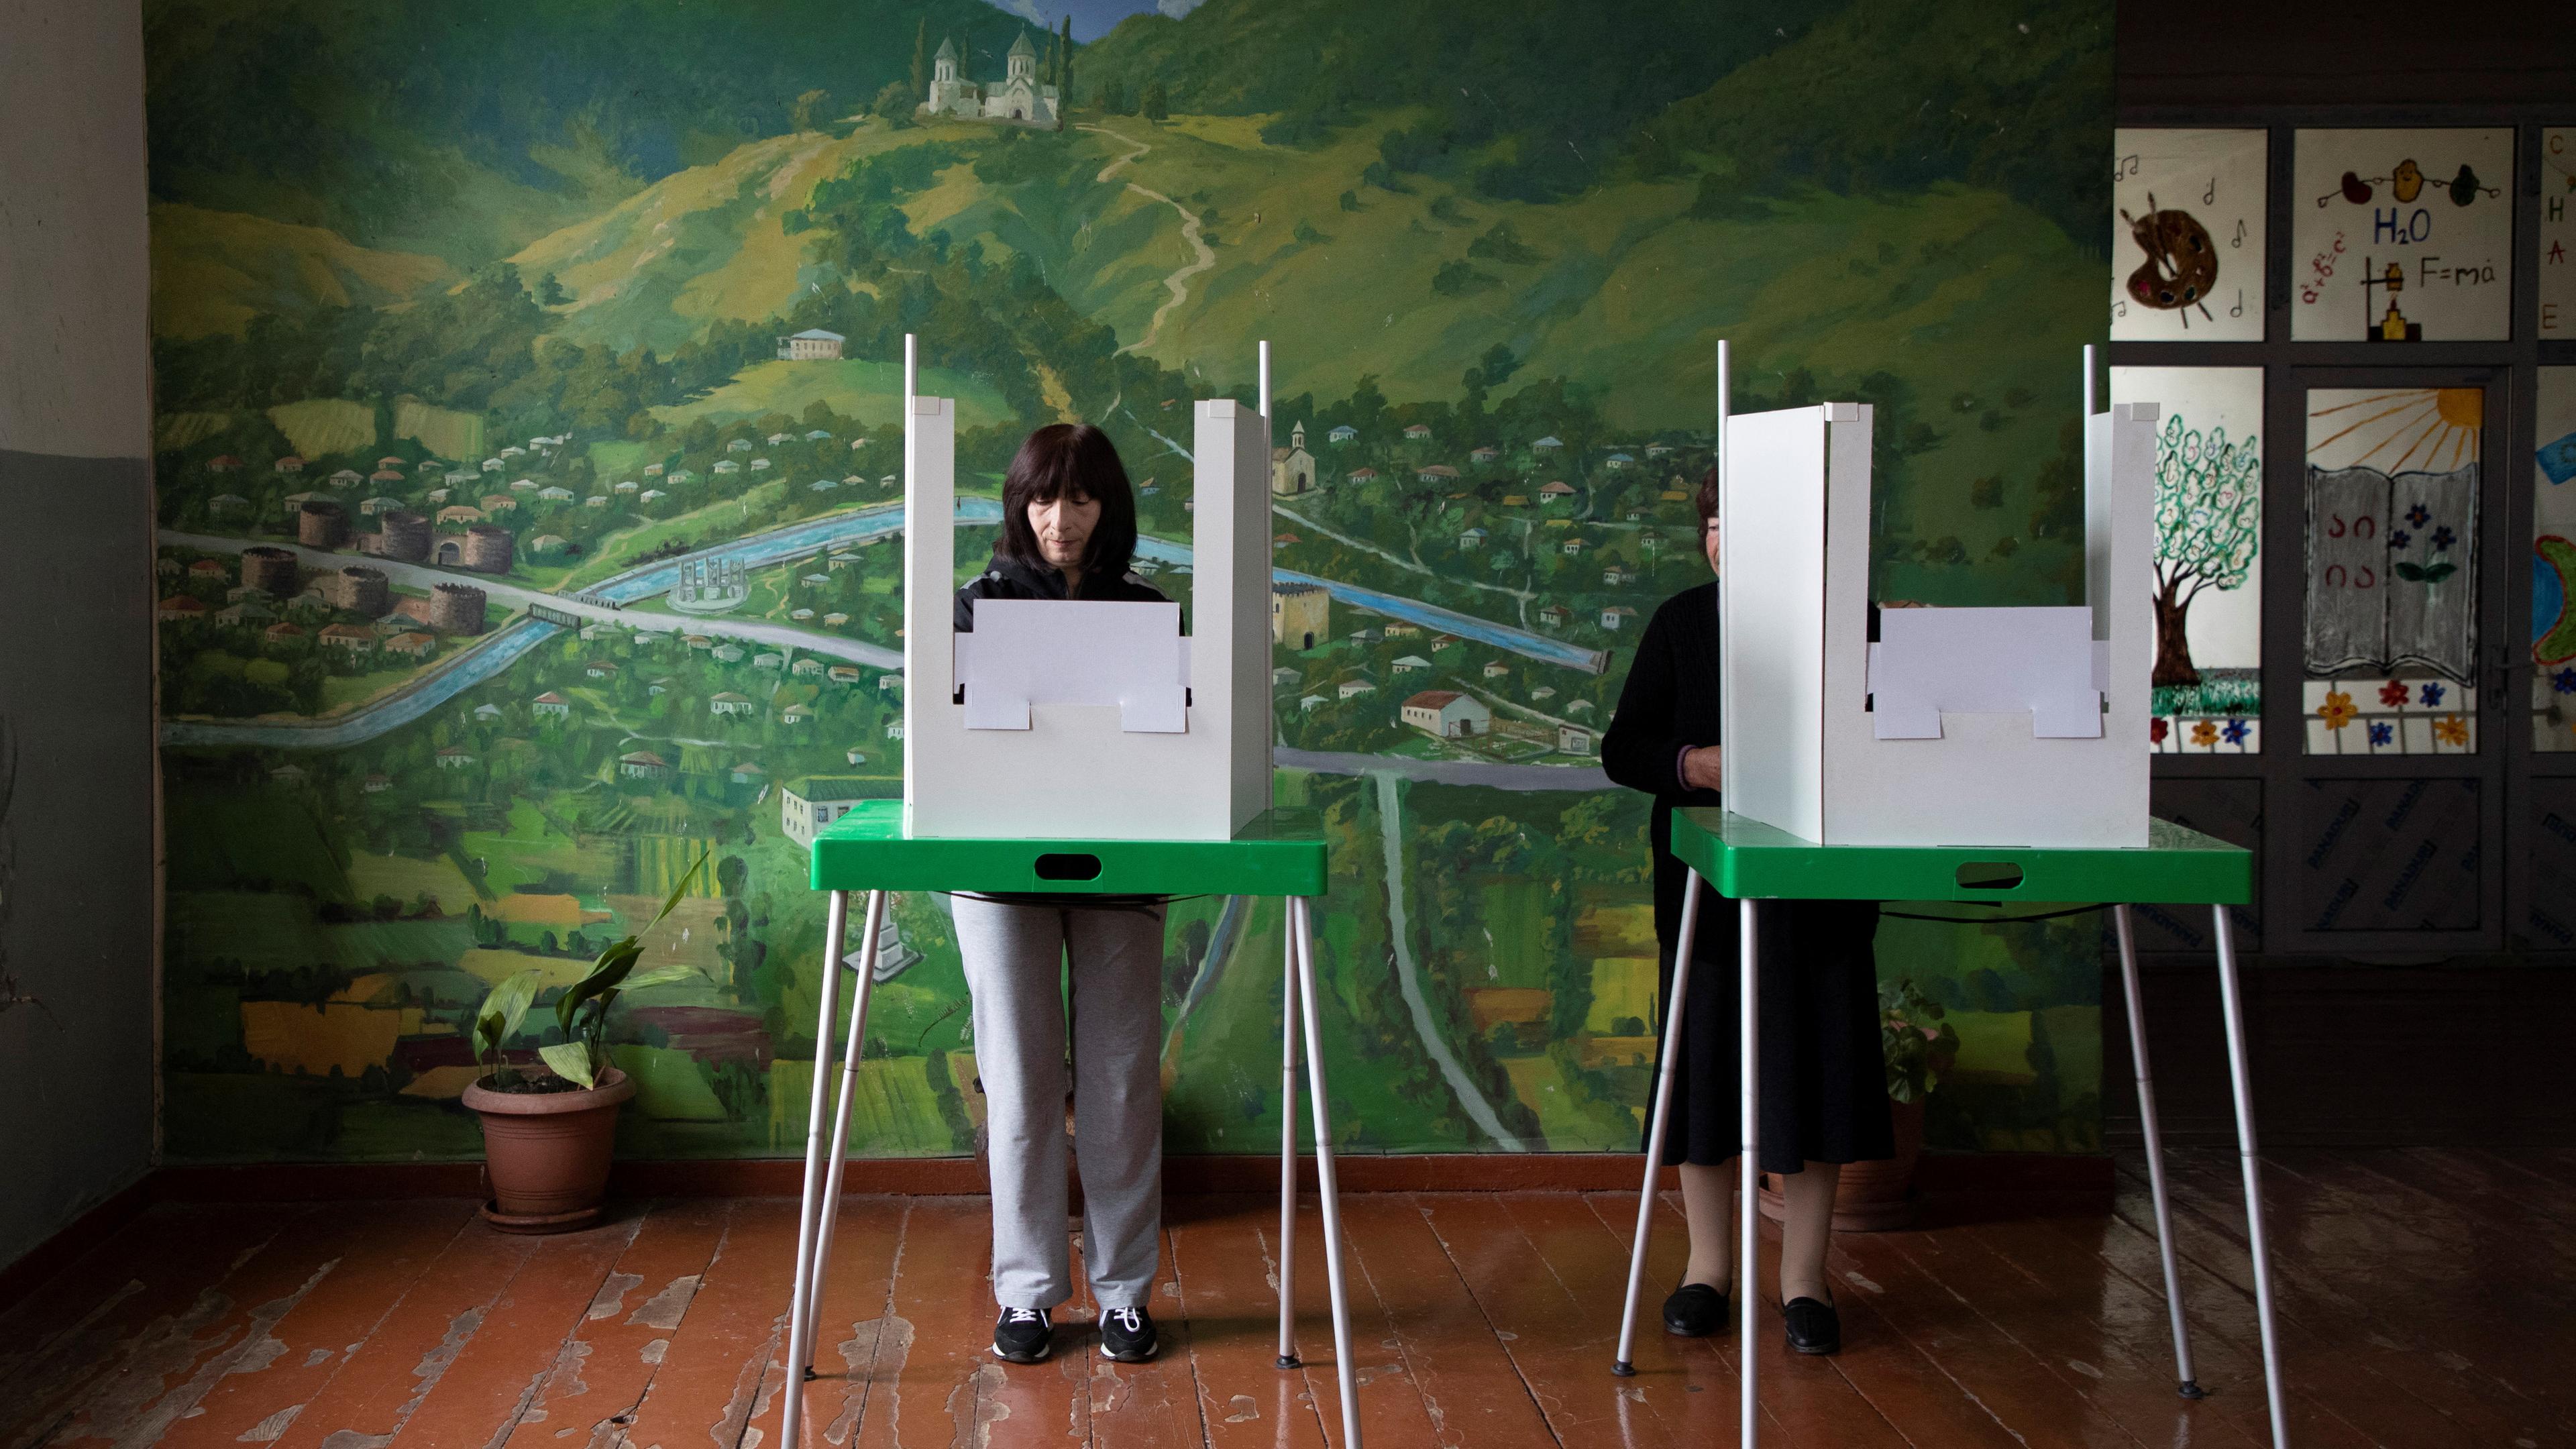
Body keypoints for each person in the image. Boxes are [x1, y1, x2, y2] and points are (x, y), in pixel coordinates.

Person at [1600, 466, 1892, 1356]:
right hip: (1705, 895)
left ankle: (1804, 1280)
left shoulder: (1856, 624)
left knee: (1821, 1069)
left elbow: (1899, 734)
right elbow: (1624, 748)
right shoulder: (1683, 622)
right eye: (1715, 524)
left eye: (1741, 524)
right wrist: (1694, 766)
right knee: (1706, 1075)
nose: (1722, 540)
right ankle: (1707, 1270)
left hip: (1826, 894)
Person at [951, 423, 1174, 1367]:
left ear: (1108, 507)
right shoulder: (975, 606)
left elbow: (1174, 741)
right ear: (1018, 505)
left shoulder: (1148, 610)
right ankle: (1028, 1293)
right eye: (1043, 498)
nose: (1059, 519)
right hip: (999, 878)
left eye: (1080, 499)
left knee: (1122, 1086)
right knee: (1021, 1086)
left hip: (1123, 874)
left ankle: (1125, 1293)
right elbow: (947, 738)